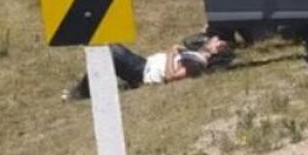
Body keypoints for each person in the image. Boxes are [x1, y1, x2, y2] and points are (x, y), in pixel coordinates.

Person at [63, 35, 231, 100]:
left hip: (143, 73)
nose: (213, 39)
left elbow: (171, 77)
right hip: (143, 65)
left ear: (216, 50)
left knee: (109, 52)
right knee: (110, 47)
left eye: (217, 41)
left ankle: (82, 92)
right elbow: (192, 39)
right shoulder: (196, 54)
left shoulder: (196, 63)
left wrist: (172, 53)